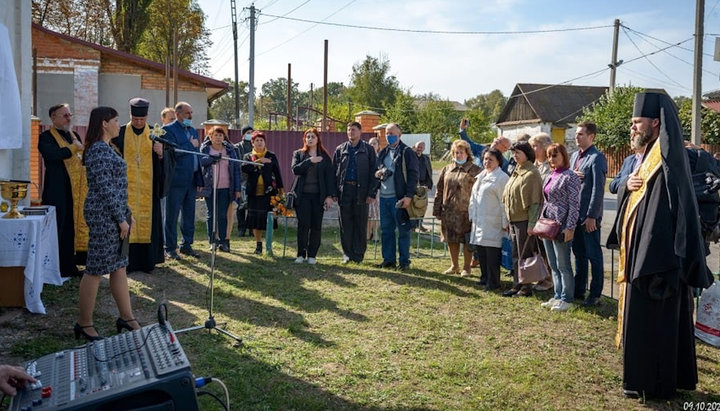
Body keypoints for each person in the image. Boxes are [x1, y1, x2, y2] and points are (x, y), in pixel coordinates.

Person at [607, 92, 713, 399]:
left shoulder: (667, 157)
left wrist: (651, 257)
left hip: (658, 261)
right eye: (631, 123)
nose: (632, 128)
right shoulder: (648, 155)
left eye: (637, 122)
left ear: (655, 123)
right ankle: (648, 380)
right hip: (644, 256)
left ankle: (651, 384)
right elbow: (636, 198)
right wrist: (626, 186)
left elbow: (671, 212)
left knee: (655, 324)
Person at [76, 106, 141, 341]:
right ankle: (84, 323)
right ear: (104, 123)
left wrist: (127, 213)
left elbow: (117, 187)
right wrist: (120, 218)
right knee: (95, 270)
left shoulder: (106, 148)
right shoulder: (97, 151)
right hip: (104, 217)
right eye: (115, 120)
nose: (118, 124)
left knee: (118, 266)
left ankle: (126, 317)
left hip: (114, 214)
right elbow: (105, 189)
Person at [110, 98, 165, 273]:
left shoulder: (155, 133)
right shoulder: (120, 133)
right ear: (130, 116)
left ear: (147, 116)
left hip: (149, 189)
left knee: (148, 222)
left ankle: (148, 262)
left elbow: (169, 158)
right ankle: (127, 262)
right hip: (126, 189)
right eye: (135, 119)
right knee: (126, 221)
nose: (139, 123)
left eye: (142, 119)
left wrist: (161, 154)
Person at [38, 103, 88, 277]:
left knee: (70, 228)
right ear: (53, 118)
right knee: (57, 228)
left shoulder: (73, 135)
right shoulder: (45, 137)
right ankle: (53, 267)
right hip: (57, 191)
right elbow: (53, 156)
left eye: (69, 114)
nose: (69, 118)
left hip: (75, 191)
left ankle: (69, 266)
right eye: (64, 115)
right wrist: (74, 148)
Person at [537, 144, 581, 312]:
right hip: (548, 224)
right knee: (553, 264)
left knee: (563, 264)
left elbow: (574, 204)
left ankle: (566, 298)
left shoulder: (570, 176)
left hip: (562, 225)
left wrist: (570, 227)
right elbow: (546, 200)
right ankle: (556, 295)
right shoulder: (550, 175)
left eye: (555, 155)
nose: (552, 159)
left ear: (563, 156)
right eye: (549, 156)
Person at [570, 121, 607, 306]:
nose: (577, 137)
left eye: (581, 134)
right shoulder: (574, 156)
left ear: (591, 136)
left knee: (594, 255)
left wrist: (592, 215)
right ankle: (579, 289)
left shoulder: (596, 157)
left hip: (588, 216)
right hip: (575, 215)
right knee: (579, 254)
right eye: (576, 134)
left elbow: (598, 190)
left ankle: (595, 294)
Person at [433, 140, 481, 277]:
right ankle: (454, 265)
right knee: (451, 239)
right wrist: (437, 209)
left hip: (467, 212)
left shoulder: (476, 170)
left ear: (467, 153)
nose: (458, 155)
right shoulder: (447, 169)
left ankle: (467, 267)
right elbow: (439, 189)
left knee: (466, 240)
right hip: (449, 211)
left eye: (461, 152)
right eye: (456, 152)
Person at [333, 121, 379, 264]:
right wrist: (334, 192)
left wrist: (372, 193)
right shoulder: (340, 149)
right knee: (345, 224)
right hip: (345, 190)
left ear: (360, 132)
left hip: (362, 191)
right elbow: (333, 172)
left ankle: (358, 255)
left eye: (353, 130)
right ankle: (347, 254)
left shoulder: (368, 150)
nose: (350, 132)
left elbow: (375, 172)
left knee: (360, 224)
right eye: (348, 130)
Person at [501, 142, 543, 297]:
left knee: (525, 255)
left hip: (524, 220)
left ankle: (526, 287)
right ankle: (516, 284)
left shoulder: (531, 173)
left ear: (527, 153)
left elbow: (534, 202)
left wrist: (532, 224)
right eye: (513, 153)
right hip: (514, 219)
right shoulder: (517, 171)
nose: (514, 155)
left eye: (518, 152)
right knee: (516, 254)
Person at [375, 123, 419, 270]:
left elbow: (413, 175)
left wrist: (408, 196)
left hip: (399, 198)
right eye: (387, 133)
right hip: (384, 197)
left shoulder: (407, 152)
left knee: (403, 231)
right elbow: (377, 168)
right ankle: (388, 260)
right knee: (386, 230)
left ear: (399, 135)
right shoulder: (383, 152)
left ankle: (404, 262)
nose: (389, 135)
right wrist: (378, 173)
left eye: (392, 133)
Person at [162, 102, 202, 260]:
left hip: (191, 179)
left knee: (189, 214)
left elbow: (196, 153)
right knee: (171, 215)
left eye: (191, 113)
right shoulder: (168, 130)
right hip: (175, 180)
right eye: (187, 113)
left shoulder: (192, 130)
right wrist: (190, 145)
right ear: (178, 114)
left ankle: (187, 244)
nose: (190, 116)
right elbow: (172, 152)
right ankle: (170, 247)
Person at [291, 128, 335, 264]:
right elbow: (295, 169)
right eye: (307, 137)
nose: (310, 139)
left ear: (318, 139)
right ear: (304, 139)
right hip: (302, 196)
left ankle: (312, 255)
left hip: (318, 197)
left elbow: (330, 178)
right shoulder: (298, 154)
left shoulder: (325, 157)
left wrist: (329, 196)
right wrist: (310, 161)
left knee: (316, 226)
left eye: (312, 137)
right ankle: (300, 254)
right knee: (303, 225)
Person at [468, 148, 509, 289]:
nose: (487, 162)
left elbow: (504, 203)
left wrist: (505, 222)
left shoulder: (502, 178)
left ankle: (493, 281)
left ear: (498, 161)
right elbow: (474, 198)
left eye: (491, 159)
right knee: (482, 252)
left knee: (492, 253)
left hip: (493, 221)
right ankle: (484, 277)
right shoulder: (481, 176)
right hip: (480, 221)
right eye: (485, 159)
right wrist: (472, 215)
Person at [199, 126, 241, 252]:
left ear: (224, 137)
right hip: (210, 187)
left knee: (223, 215)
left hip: (227, 187)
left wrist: (237, 189)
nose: (218, 138)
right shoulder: (205, 148)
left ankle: (223, 241)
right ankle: (212, 241)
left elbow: (236, 170)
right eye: (215, 135)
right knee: (211, 214)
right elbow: (201, 161)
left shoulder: (230, 150)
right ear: (210, 137)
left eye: (220, 135)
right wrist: (212, 159)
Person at [242, 130, 284, 254]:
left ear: (265, 142)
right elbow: (245, 168)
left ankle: (269, 244)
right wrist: (259, 161)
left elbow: (277, 173)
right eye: (257, 141)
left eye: (261, 140)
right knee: (256, 220)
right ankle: (258, 244)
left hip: (269, 192)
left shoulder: (271, 155)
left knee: (269, 219)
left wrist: (281, 189)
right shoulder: (248, 156)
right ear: (252, 143)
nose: (259, 143)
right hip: (254, 193)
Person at [528, 132, 555, 291]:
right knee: (537, 248)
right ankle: (541, 276)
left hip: (546, 214)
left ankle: (549, 279)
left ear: (544, 147)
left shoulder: (550, 166)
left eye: (535, 146)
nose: (532, 149)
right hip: (534, 212)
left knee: (546, 249)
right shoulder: (534, 165)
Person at [235, 125, 254, 237]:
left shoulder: (256, 146)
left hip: (253, 179)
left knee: (252, 205)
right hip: (241, 179)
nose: (250, 134)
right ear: (243, 134)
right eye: (248, 132)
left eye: (252, 132)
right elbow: (237, 163)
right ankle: (241, 228)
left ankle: (251, 228)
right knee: (241, 206)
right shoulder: (237, 147)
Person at [413, 140, 433, 232]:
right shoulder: (411, 157)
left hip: (423, 185)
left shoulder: (426, 158)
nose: (419, 149)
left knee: (422, 206)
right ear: (415, 147)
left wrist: (428, 185)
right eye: (418, 147)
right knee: (413, 206)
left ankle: (420, 224)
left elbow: (429, 171)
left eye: (421, 147)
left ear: (424, 148)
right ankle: (413, 226)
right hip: (413, 185)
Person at [366, 137, 381, 241]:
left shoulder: (380, 158)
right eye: (370, 143)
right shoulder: (365, 157)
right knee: (368, 213)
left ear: (378, 146)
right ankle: (367, 233)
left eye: (374, 143)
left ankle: (375, 233)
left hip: (378, 189)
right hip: (367, 188)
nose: (372, 145)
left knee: (376, 213)